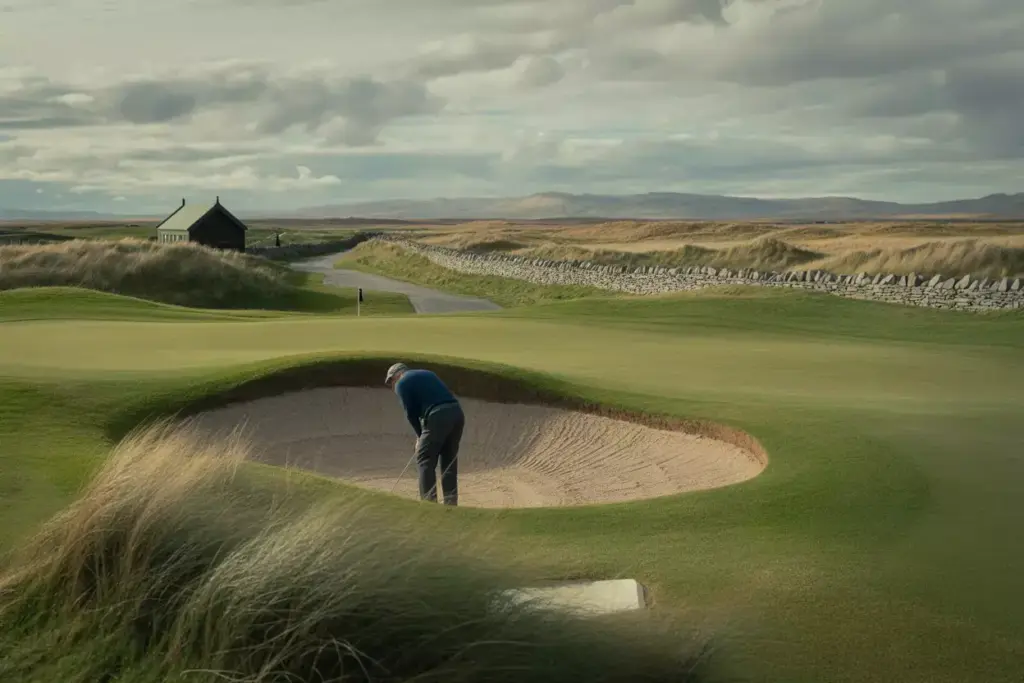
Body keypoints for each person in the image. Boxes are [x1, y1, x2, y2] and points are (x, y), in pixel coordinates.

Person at [385, 363, 464, 506]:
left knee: (424, 458)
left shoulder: (401, 383)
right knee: (448, 461)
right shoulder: (427, 373)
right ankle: (451, 503)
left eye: (391, 382)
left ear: (396, 375)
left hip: (438, 415)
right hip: (457, 413)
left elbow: (411, 414)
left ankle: (428, 504)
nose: (392, 387)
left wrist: (420, 437)